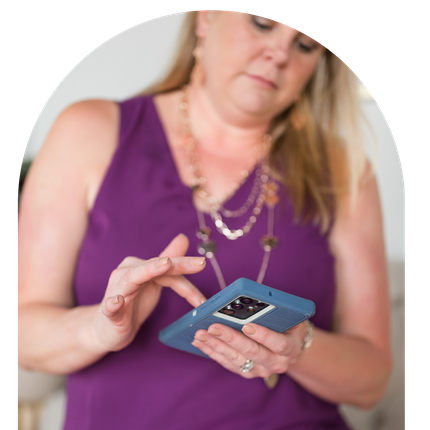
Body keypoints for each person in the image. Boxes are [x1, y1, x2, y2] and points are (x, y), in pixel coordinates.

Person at [17, 10, 392, 430]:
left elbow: (372, 378)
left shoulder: (343, 172)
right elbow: (24, 336)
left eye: (305, 44)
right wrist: (100, 329)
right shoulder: (89, 131)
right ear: (205, 20)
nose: (279, 53)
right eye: (262, 24)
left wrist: (298, 346)